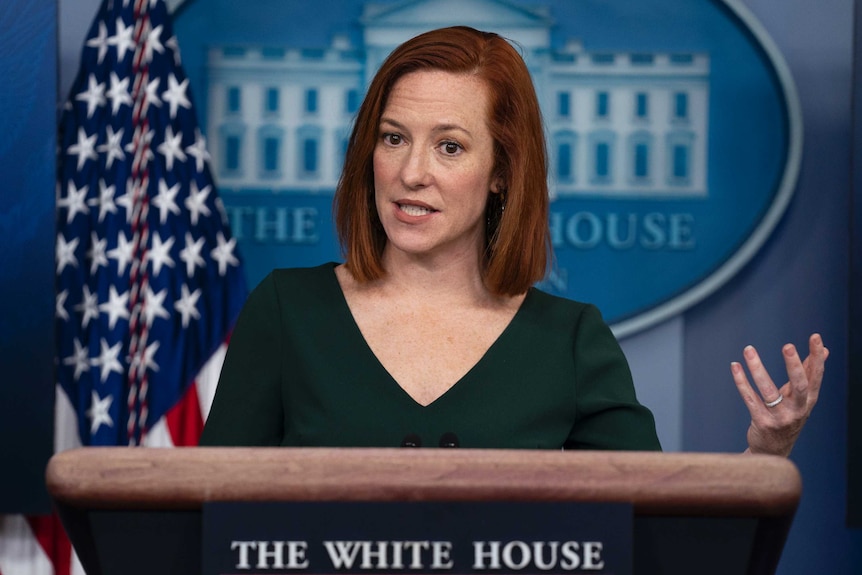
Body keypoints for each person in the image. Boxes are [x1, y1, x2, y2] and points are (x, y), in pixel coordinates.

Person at [199, 26, 827, 454]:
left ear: (501, 172)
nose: (411, 171)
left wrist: (763, 455)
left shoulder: (570, 342)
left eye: (450, 146)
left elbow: (654, 532)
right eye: (393, 138)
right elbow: (204, 516)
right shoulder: (287, 312)